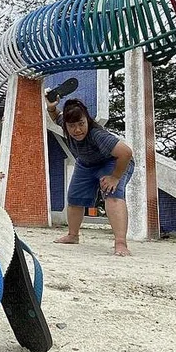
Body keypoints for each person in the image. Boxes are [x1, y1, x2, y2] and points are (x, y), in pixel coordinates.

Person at [46, 96, 134, 256]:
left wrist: (115, 177)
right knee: (74, 198)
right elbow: (56, 116)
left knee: (112, 194)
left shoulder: (97, 134)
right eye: (72, 126)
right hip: (86, 163)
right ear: (66, 126)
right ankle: (73, 235)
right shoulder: (64, 124)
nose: (77, 130)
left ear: (87, 120)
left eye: (81, 124)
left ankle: (120, 243)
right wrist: (51, 108)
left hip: (112, 162)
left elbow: (126, 153)